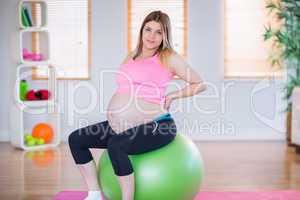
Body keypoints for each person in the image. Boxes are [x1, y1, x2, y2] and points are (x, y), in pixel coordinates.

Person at [68, 10, 207, 200]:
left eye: (159, 32)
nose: (152, 36)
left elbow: (200, 84)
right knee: (76, 139)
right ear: (141, 30)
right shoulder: (132, 56)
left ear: (165, 35)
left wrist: (174, 95)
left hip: (158, 125)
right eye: (148, 29)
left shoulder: (169, 57)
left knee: (116, 145)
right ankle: (94, 194)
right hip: (123, 126)